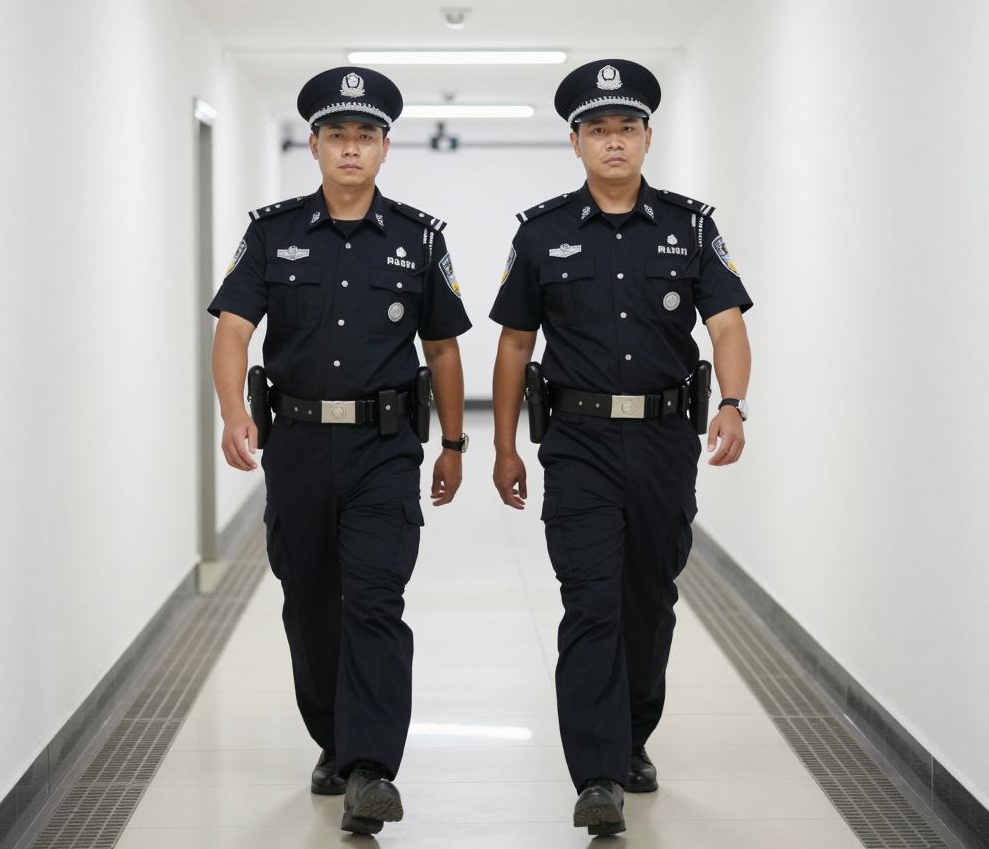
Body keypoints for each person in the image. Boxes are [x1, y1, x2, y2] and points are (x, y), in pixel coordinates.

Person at [489, 59, 752, 835]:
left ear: (647, 139)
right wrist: (503, 446)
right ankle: (597, 775)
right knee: (591, 599)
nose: (613, 141)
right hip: (579, 442)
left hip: (665, 440)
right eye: (598, 129)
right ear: (575, 142)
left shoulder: (691, 228)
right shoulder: (542, 233)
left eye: (626, 128)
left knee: (649, 597)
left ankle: (631, 736)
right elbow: (514, 345)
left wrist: (732, 403)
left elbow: (727, 324)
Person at [207, 66, 472, 834]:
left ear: (385, 147)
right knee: (310, 604)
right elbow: (233, 330)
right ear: (316, 146)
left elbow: (443, 350)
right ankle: (334, 740)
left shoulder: (420, 239)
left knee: (376, 600)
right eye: (336, 136)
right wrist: (233, 413)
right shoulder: (273, 234)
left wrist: (454, 442)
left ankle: (370, 768)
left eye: (365, 136)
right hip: (296, 447)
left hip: (384, 448)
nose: (350, 149)